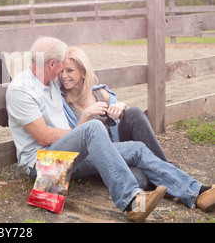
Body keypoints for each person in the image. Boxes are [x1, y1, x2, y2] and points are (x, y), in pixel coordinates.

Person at [5, 36, 214, 222]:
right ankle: (133, 202)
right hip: (44, 165)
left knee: (137, 149)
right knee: (92, 128)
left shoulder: (50, 81)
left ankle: (198, 193)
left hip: (70, 156)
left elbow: (82, 80)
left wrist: (114, 100)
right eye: (61, 66)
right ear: (52, 64)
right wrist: (84, 136)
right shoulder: (21, 90)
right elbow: (43, 137)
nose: (62, 73)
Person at [59, 47, 171, 189]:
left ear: (83, 72)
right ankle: (164, 176)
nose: (63, 76)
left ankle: (165, 169)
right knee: (140, 179)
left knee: (134, 112)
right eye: (61, 71)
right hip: (101, 156)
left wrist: (122, 106)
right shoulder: (62, 103)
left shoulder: (101, 93)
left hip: (121, 145)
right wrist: (86, 115)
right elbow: (73, 140)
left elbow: (127, 122)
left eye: (69, 70)